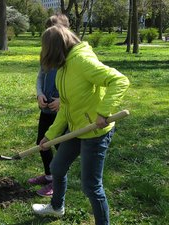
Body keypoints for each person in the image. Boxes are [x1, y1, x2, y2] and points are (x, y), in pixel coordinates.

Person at [31, 25, 129, 225]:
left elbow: (119, 80)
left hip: (95, 131)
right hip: (77, 128)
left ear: (56, 48)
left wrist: (103, 112)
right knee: (56, 167)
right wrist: (50, 135)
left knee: (91, 185)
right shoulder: (63, 69)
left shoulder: (83, 61)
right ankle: (57, 207)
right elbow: (66, 107)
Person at [28, 14, 70, 197]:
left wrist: (62, 101)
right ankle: (48, 175)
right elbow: (40, 77)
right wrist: (39, 94)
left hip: (61, 111)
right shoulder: (45, 54)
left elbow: (74, 85)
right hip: (46, 109)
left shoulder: (70, 57)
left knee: (61, 148)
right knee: (41, 143)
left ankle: (58, 182)